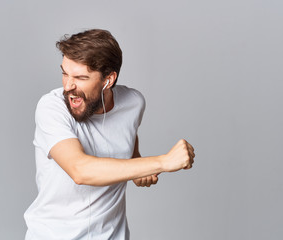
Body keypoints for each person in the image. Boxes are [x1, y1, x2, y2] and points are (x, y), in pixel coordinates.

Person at [24, 29, 195, 240]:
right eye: (65, 73)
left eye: (81, 77)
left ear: (108, 79)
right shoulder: (51, 108)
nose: (68, 86)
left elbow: (127, 138)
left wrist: (138, 165)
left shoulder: (133, 103)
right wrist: (162, 162)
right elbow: (80, 170)